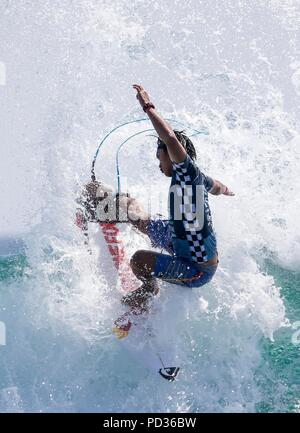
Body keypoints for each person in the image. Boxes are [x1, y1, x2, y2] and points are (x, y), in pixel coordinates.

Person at [80, 84, 234, 310]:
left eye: (159, 157)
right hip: (178, 238)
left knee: (139, 260)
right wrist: (226, 190)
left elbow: (170, 138)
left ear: (172, 156)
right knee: (134, 211)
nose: (158, 164)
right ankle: (101, 205)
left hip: (196, 268)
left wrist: (147, 106)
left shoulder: (187, 172)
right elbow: (217, 186)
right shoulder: (198, 176)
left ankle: (148, 288)